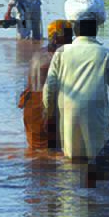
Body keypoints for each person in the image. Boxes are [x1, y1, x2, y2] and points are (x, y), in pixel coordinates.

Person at [43, 0, 109, 163]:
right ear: (96, 28)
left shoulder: (61, 53)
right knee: (96, 163)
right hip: (97, 117)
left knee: (72, 163)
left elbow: (49, 89)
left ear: (74, 29)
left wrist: (50, 116)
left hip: (68, 116)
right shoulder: (105, 54)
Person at [19, 20, 73, 151]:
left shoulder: (39, 53)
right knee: (51, 153)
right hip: (43, 108)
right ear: (55, 39)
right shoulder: (58, 56)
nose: (71, 41)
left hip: (30, 107)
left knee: (35, 152)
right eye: (67, 37)